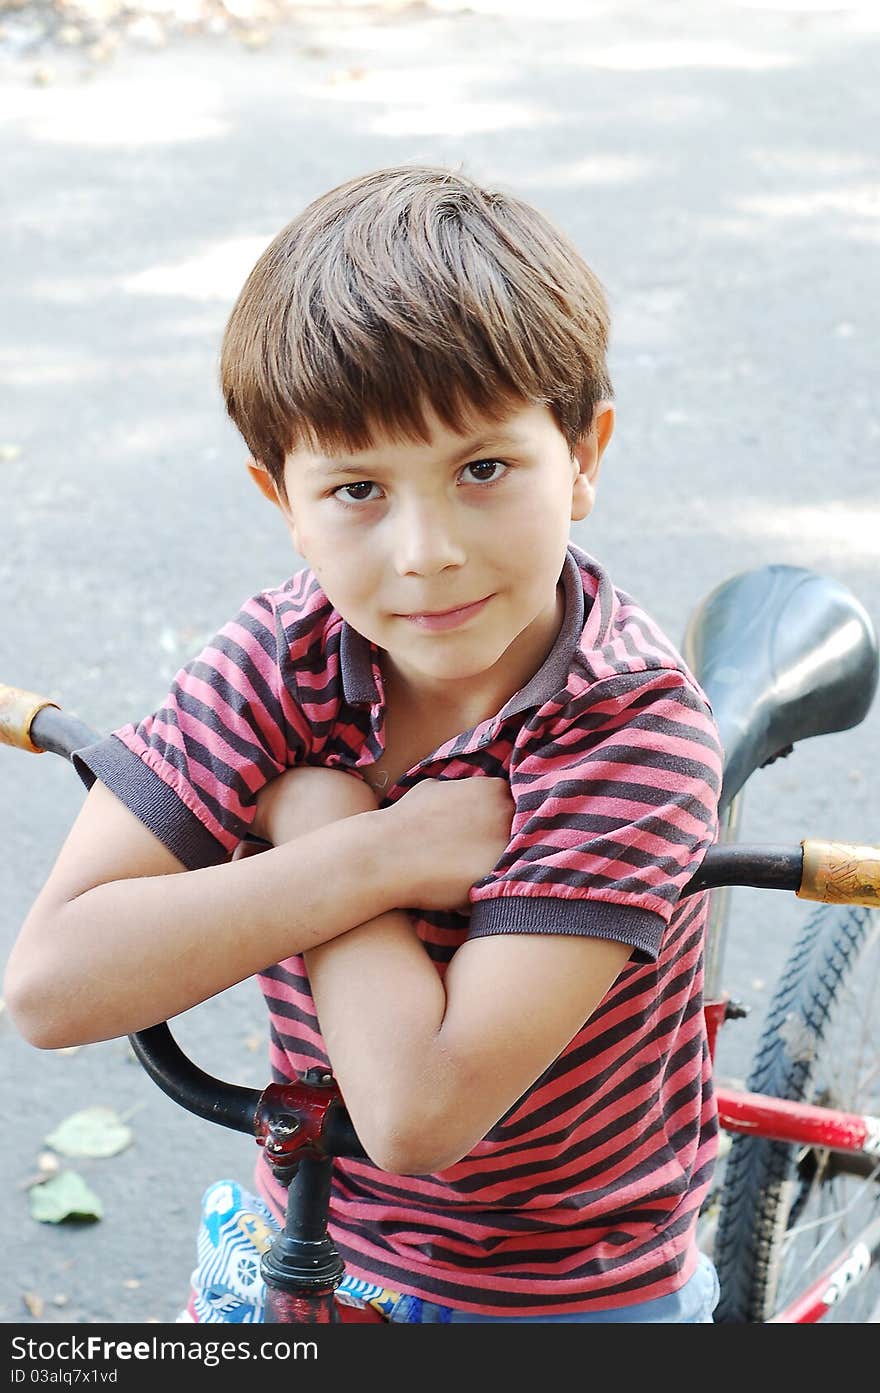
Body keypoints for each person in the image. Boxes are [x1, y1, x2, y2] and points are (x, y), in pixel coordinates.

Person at [4, 165, 723, 1324]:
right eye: (355, 489)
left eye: (482, 469)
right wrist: (371, 852)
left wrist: (318, 811)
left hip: (559, 1291)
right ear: (280, 498)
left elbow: (418, 1115)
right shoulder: (283, 654)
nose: (427, 551)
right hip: (305, 1227)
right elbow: (48, 988)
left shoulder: (627, 729)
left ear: (583, 455)